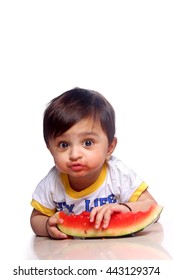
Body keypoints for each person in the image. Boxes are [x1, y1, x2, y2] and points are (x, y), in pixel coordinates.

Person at [30, 87, 158, 239]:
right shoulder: (52, 183)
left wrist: (125, 208)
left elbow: (152, 207)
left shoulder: (118, 174)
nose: (75, 154)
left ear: (110, 147)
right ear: (50, 149)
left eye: (88, 142)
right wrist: (47, 226)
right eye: (64, 145)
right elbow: (36, 218)